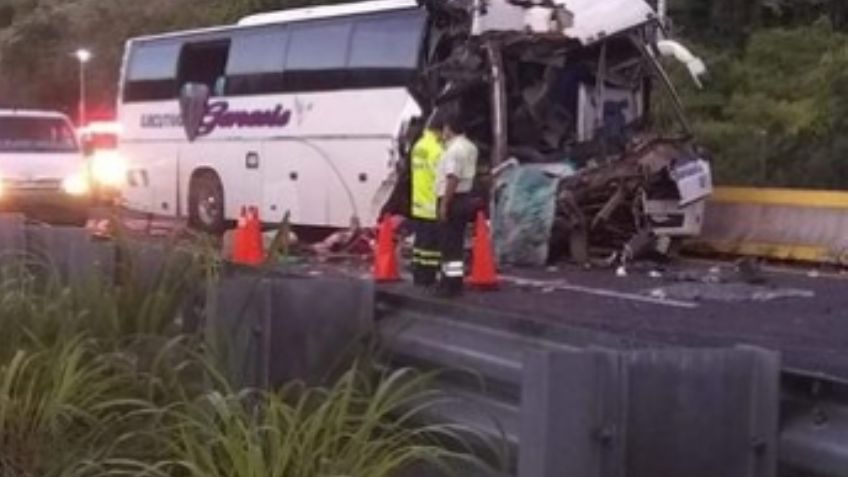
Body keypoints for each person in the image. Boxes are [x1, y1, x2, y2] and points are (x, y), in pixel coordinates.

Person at [435, 113, 478, 297]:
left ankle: (448, 285)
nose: (443, 132)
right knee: (456, 243)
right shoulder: (470, 147)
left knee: (448, 244)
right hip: (465, 197)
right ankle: (455, 282)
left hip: (453, 198)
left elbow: (453, 177)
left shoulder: (454, 150)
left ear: (450, 128)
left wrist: (444, 204)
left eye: (445, 128)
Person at [409, 114, 445, 287]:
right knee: (431, 248)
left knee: (420, 245)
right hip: (432, 205)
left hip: (419, 204)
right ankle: (428, 278)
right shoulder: (437, 150)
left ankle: (418, 275)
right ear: (439, 130)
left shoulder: (419, 146)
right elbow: (443, 177)